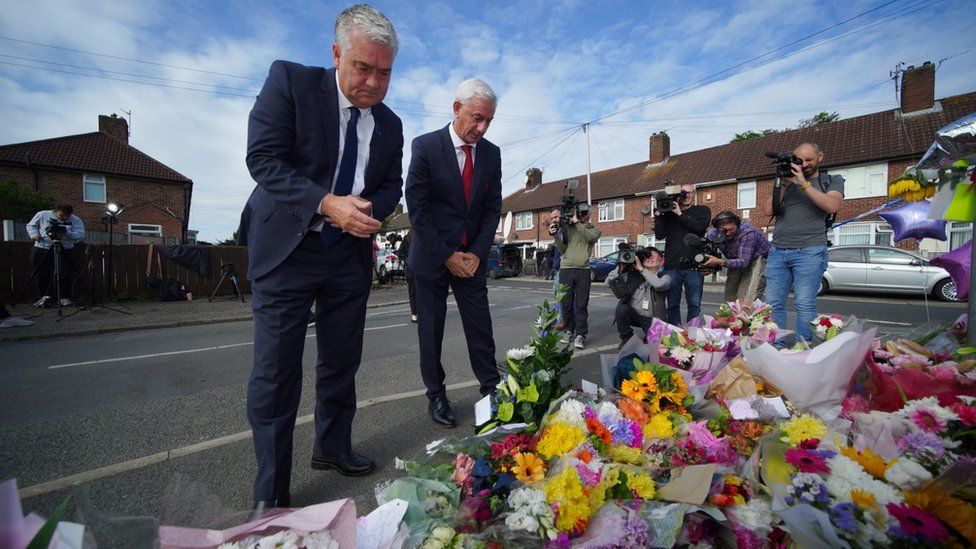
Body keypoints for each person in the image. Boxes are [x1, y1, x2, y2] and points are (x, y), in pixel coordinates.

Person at [239, 4, 404, 514]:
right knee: (277, 371)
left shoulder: (391, 124)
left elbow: (389, 185)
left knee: (340, 361)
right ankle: (272, 488)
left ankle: (331, 447)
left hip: (347, 256)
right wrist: (327, 203)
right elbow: (263, 158)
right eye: (363, 68)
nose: (374, 82)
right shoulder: (289, 81)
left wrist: (364, 209)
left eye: (385, 72)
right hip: (289, 248)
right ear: (336, 54)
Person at [405, 78, 502, 429]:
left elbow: (492, 209)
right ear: (456, 108)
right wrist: (448, 254)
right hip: (432, 257)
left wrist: (476, 253)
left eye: (489, 120)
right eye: (477, 118)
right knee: (430, 331)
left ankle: (491, 390)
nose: (482, 127)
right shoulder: (426, 147)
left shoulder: (492, 154)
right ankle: (436, 395)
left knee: (481, 327)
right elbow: (417, 209)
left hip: (471, 259)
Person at [765, 143, 844, 343]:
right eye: (800, 160)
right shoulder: (786, 182)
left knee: (804, 303)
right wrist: (783, 183)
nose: (805, 164)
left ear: (821, 157)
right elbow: (768, 211)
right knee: (773, 304)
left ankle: (803, 348)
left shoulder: (832, 180)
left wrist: (803, 184)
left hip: (809, 251)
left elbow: (832, 205)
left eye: (810, 159)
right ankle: (775, 347)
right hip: (778, 250)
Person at [653, 183, 710, 325]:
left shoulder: (702, 211)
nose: (687, 196)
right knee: (672, 304)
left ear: (694, 194)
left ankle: (692, 334)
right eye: (684, 193)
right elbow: (659, 235)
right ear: (678, 196)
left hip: (693, 266)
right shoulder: (668, 214)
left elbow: (699, 228)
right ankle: (675, 335)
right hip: (672, 266)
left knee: (694, 304)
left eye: (690, 193)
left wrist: (679, 214)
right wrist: (659, 216)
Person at [555, 203, 601, 349]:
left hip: (583, 270)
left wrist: (576, 223)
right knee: (566, 303)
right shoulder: (569, 228)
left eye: (584, 212)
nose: (581, 215)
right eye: (579, 212)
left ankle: (581, 335)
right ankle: (569, 331)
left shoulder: (595, 230)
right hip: (566, 269)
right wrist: (556, 236)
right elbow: (563, 249)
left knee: (581, 304)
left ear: (589, 214)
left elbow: (589, 238)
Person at [605, 246, 670, 348]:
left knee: (656, 348)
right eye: (647, 256)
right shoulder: (632, 275)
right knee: (622, 309)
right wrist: (620, 266)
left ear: (661, 261)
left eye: (653, 256)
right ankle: (627, 338)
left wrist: (641, 269)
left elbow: (658, 284)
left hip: (654, 320)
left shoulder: (665, 277)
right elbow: (608, 283)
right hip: (635, 316)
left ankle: (648, 336)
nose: (649, 258)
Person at [700, 211, 770, 303]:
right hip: (734, 258)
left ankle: (747, 315)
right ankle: (731, 316)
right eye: (724, 230)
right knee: (730, 300)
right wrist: (708, 267)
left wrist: (720, 262)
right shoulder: (712, 234)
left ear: (737, 225)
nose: (728, 233)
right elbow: (710, 254)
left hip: (757, 259)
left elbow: (744, 262)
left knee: (745, 300)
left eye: (731, 230)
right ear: (717, 229)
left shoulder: (747, 232)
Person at [26, 204, 85, 307]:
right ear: (55, 211)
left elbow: (80, 234)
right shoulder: (42, 214)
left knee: (64, 273)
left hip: (65, 248)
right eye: (62, 215)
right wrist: (34, 235)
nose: (64, 218)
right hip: (43, 247)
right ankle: (44, 297)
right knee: (41, 273)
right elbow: (31, 225)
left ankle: (64, 297)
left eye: (67, 216)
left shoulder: (75, 220)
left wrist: (67, 232)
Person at [398, 230, 418, 322]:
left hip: (412, 270)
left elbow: (400, 253)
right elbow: (400, 253)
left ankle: (415, 314)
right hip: (417, 270)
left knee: (413, 293)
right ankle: (416, 313)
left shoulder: (407, 238)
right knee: (417, 293)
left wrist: (407, 260)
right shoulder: (408, 239)